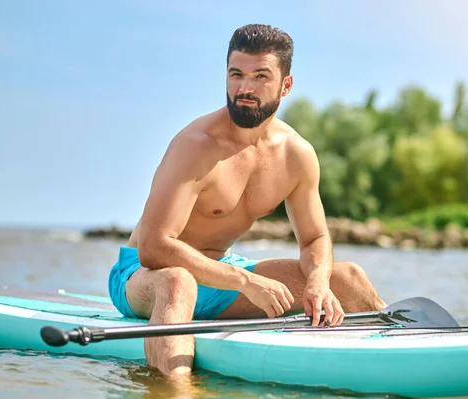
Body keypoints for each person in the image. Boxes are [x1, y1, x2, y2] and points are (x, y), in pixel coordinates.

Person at [108, 23, 387, 378]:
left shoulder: (295, 155)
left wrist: (317, 281)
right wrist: (244, 281)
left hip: (220, 274)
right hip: (145, 276)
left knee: (346, 278)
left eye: (260, 76)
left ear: (286, 85)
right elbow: (153, 247)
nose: (244, 88)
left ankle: (403, 362)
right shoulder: (195, 146)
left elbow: (315, 239)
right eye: (236, 74)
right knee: (179, 281)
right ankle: (174, 388)